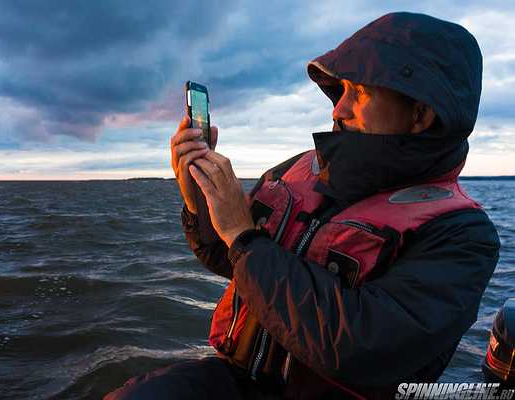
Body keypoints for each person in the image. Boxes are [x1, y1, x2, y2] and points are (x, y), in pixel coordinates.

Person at [105, 11, 500, 400]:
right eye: (340, 90)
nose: (337, 109)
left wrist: (243, 235)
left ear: (421, 113)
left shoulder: (462, 235)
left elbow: (361, 345)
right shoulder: (297, 170)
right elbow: (230, 261)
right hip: (239, 380)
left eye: (358, 93)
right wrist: (197, 196)